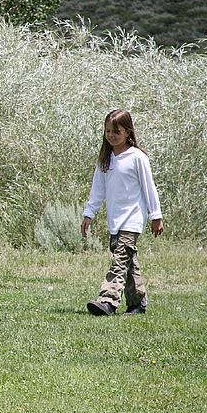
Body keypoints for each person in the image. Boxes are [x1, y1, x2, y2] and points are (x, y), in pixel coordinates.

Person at [81, 109, 163, 316]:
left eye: (116, 131)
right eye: (108, 131)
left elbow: (149, 187)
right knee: (127, 261)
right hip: (115, 220)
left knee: (119, 262)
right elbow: (97, 189)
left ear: (128, 132)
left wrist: (156, 215)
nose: (111, 135)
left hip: (133, 218)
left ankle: (107, 301)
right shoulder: (106, 159)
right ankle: (137, 303)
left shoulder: (137, 158)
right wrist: (89, 213)